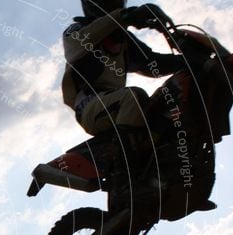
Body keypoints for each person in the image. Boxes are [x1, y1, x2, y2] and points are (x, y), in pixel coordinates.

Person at [61, 1, 184, 209]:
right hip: (90, 106)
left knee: (166, 111)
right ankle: (124, 181)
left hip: (116, 105)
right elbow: (88, 37)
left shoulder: (124, 42)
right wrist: (127, 16)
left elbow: (153, 64)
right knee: (134, 96)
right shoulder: (76, 31)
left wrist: (186, 60)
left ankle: (174, 177)